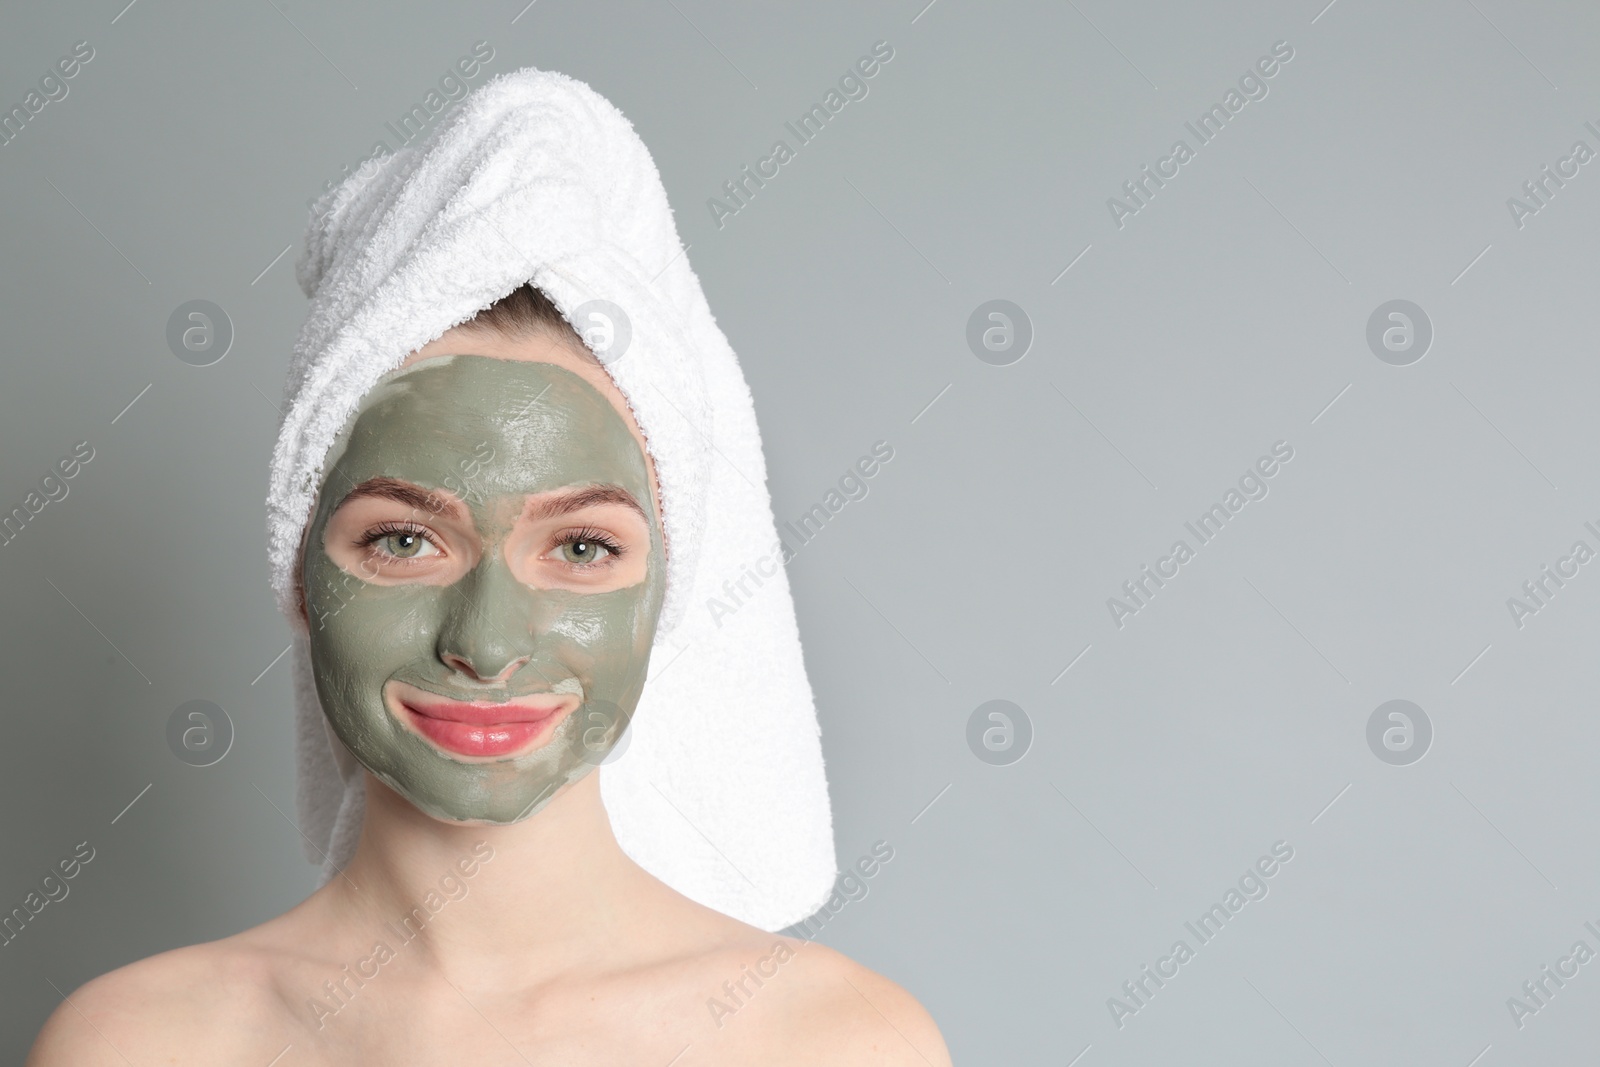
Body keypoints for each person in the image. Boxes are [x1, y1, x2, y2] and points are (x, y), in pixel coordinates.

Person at [31, 65, 951, 1064]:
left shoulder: (832, 1041)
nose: (487, 639)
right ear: (298, 573)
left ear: (666, 592)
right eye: (403, 539)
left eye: (582, 547)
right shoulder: (139, 1042)